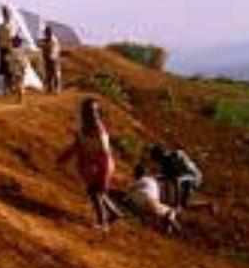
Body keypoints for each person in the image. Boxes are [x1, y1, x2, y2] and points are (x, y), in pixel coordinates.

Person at [57, 97, 122, 230]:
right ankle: (114, 213)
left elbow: (105, 152)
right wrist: (64, 157)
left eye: (94, 111)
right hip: (93, 165)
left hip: (103, 165)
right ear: (83, 113)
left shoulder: (99, 130)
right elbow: (77, 145)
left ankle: (103, 223)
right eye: (89, 111)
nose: (92, 115)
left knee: (95, 192)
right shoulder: (83, 130)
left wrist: (96, 167)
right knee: (97, 192)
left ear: (98, 113)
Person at [127, 163, 181, 235]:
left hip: (138, 203)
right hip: (151, 204)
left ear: (135, 173)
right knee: (171, 211)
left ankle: (162, 225)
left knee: (149, 207)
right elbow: (156, 199)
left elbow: (130, 191)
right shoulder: (152, 181)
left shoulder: (138, 181)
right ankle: (172, 228)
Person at [148, 144, 204, 210]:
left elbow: (178, 175)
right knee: (185, 204)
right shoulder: (164, 161)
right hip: (185, 178)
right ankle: (207, 205)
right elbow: (167, 175)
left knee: (177, 180)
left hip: (194, 177)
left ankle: (177, 205)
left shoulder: (176, 155)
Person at [0, 6, 22, 98]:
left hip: (10, 50)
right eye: (5, 14)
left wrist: (14, 47)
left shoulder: (11, 26)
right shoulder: (0, 26)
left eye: (7, 14)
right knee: (5, 71)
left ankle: (11, 88)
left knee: (11, 70)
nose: (6, 16)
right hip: (4, 49)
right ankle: (6, 89)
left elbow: (15, 39)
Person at [40, 24, 63, 94]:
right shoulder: (46, 40)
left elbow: (55, 50)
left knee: (56, 74)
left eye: (47, 33)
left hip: (54, 59)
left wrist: (51, 56)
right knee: (48, 74)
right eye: (46, 33)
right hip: (47, 58)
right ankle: (49, 88)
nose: (46, 34)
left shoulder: (54, 40)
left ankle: (57, 89)